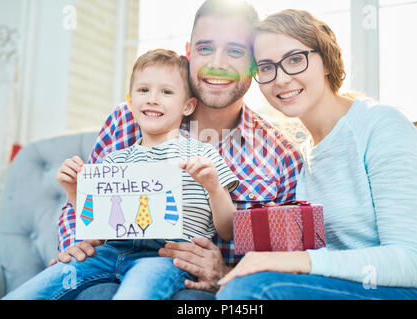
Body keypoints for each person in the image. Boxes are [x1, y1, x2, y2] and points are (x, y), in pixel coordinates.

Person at [51, 0, 302, 298]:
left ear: (254, 62)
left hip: (201, 289)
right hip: (109, 271)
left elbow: (288, 266)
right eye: (205, 48)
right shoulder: (127, 119)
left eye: (234, 51)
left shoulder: (282, 156)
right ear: (189, 52)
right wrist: (75, 245)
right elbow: (83, 199)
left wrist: (227, 275)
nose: (216, 64)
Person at [216, 9, 417, 300]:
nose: (281, 79)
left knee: (255, 291)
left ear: (325, 60)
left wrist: (294, 263)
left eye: (295, 59)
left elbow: (411, 261)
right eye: (265, 67)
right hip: (350, 288)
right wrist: (221, 269)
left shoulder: (380, 125)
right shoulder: (299, 158)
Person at [3, 48, 241, 300]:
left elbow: (228, 231)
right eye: (143, 90)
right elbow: (97, 230)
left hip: (168, 255)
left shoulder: (203, 155)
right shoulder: (115, 160)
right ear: (130, 101)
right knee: (37, 288)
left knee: (136, 293)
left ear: (188, 105)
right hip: (110, 252)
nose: (152, 98)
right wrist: (73, 189)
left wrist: (214, 187)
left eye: (166, 92)